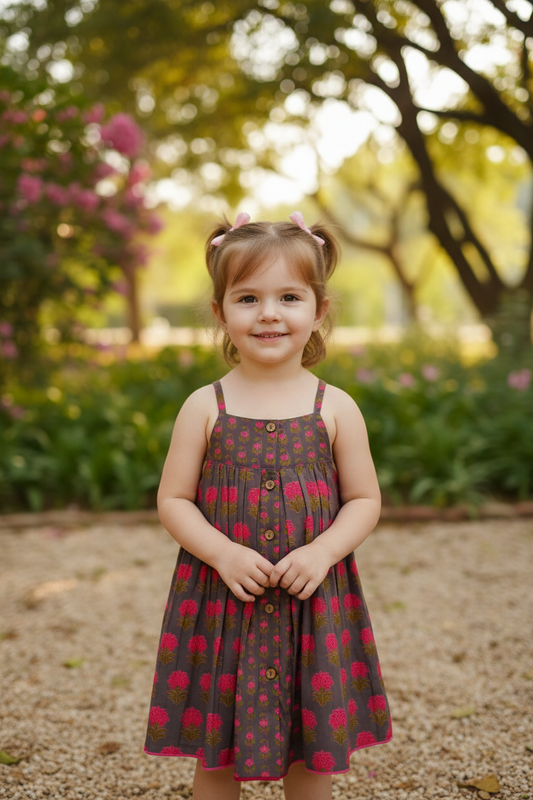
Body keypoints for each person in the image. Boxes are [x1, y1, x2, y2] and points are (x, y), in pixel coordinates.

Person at [144, 211, 392, 800]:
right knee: (216, 749)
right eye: (248, 298)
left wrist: (324, 551)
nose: (270, 314)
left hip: (312, 601)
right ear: (221, 312)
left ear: (318, 309)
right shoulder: (206, 406)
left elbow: (365, 499)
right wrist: (223, 553)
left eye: (289, 296)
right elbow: (173, 499)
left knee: (311, 751)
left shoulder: (336, 408)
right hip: (223, 603)